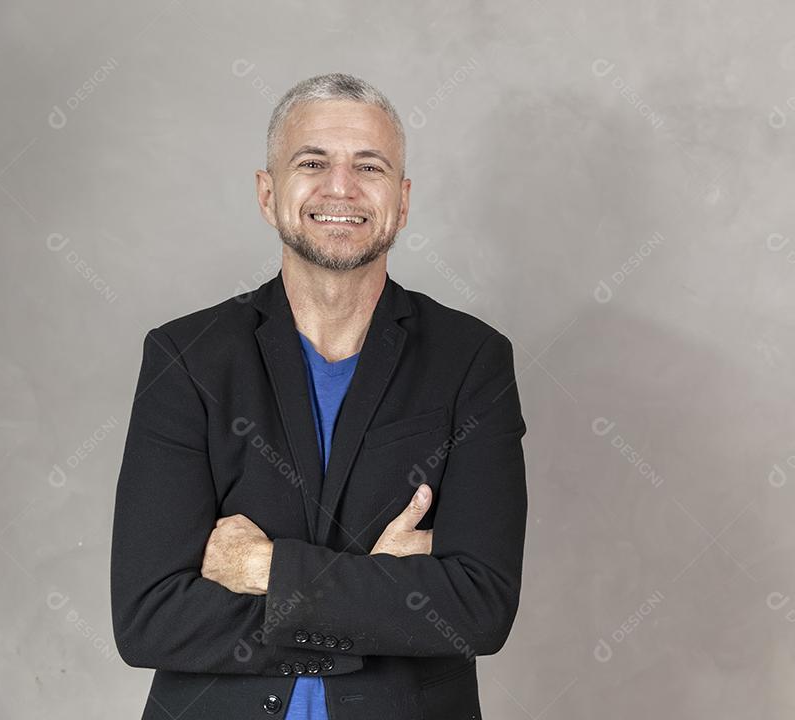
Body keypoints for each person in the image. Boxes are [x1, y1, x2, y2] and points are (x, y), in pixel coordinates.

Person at [110, 73, 528, 720]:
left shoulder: (472, 361)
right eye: (313, 162)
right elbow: (149, 618)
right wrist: (378, 600)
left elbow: (479, 609)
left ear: (403, 199)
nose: (342, 187)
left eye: (370, 166)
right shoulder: (186, 359)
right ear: (267, 193)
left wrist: (269, 569)